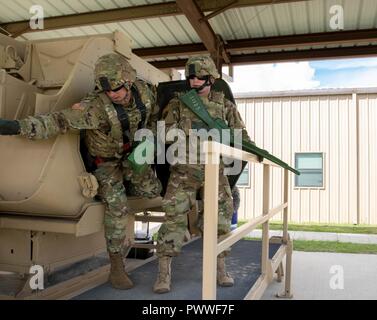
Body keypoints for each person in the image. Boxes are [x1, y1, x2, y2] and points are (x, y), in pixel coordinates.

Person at [0, 52, 162, 290]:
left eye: (116, 88)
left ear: (128, 81)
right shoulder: (93, 108)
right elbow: (55, 122)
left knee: (152, 190)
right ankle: (116, 267)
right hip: (106, 163)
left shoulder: (145, 93)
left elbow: (155, 115)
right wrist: (13, 126)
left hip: (135, 155)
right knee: (117, 208)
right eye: (106, 90)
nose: (112, 94)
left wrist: (149, 140)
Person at [153, 55, 255, 293]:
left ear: (211, 79)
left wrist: (255, 151)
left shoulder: (224, 105)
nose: (194, 81)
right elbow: (164, 134)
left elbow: (240, 134)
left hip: (214, 171)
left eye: (200, 77)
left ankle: (221, 267)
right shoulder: (178, 104)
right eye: (190, 77)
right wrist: (190, 128)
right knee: (173, 219)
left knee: (220, 219)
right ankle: (163, 272)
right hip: (183, 170)